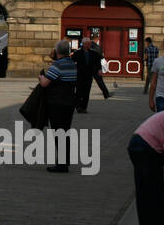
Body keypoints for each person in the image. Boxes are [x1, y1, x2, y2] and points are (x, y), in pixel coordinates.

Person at [37, 40, 79, 173]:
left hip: (57, 103)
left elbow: (45, 84)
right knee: (65, 132)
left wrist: (41, 77)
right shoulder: (72, 64)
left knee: (58, 132)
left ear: (57, 51)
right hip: (69, 102)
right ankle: (64, 161)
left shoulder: (57, 65)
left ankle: (61, 164)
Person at [74, 35, 110, 112]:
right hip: (80, 74)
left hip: (89, 74)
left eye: (89, 43)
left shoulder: (93, 53)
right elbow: (72, 62)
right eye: (87, 43)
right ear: (83, 44)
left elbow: (98, 63)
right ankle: (78, 106)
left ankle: (84, 107)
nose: (89, 45)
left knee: (87, 91)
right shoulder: (77, 53)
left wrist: (99, 70)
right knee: (79, 91)